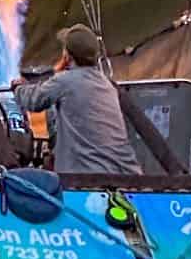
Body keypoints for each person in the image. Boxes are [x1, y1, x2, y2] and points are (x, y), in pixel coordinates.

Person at [11, 23, 140, 182]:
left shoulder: (65, 81)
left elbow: (33, 100)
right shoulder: (107, 84)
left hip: (86, 177)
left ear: (67, 56)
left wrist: (18, 88)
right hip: (127, 176)